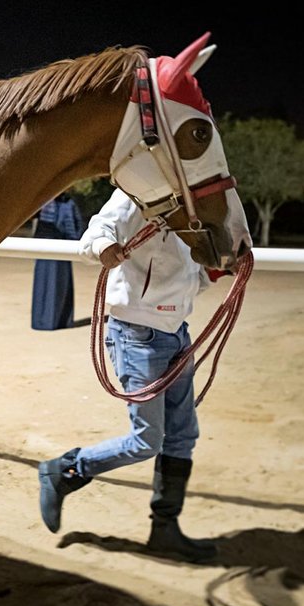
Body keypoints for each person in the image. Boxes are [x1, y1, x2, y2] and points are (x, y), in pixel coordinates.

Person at [38, 187, 228, 563]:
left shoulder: (195, 205)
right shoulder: (138, 193)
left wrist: (216, 270)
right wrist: (105, 248)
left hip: (176, 331)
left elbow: (191, 275)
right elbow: (96, 234)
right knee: (147, 440)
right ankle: (66, 469)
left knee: (182, 435)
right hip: (137, 336)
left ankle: (165, 529)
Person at [31, 193, 85, 330]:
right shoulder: (43, 201)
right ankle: (44, 321)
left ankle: (57, 320)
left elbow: (77, 225)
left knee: (59, 283)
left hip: (60, 246)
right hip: (46, 245)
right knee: (45, 283)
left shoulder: (68, 203)